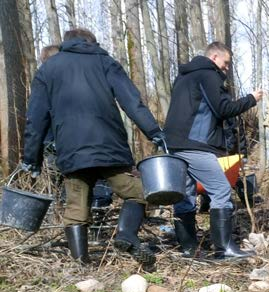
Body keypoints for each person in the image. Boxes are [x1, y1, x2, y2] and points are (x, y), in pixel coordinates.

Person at [20, 28, 163, 265]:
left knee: (76, 207)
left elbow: (36, 118)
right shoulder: (106, 62)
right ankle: (126, 234)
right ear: (91, 42)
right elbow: (132, 102)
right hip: (110, 148)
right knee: (139, 193)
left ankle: (82, 264)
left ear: (65, 43)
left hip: (72, 151)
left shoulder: (49, 68)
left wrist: (31, 157)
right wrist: (155, 133)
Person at [164, 41, 263, 259]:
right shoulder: (208, 74)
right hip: (195, 145)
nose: (226, 69)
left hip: (173, 144)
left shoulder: (183, 76)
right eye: (226, 63)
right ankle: (224, 248)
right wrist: (250, 100)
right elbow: (223, 108)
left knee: (186, 196)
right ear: (215, 58)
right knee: (220, 190)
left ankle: (189, 250)